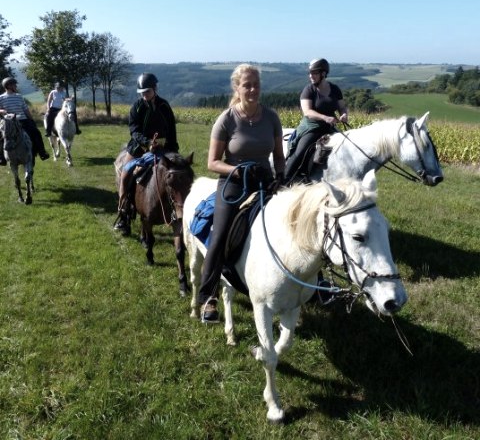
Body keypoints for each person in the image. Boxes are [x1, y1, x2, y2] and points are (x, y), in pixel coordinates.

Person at [198, 63, 285, 323]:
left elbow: (279, 156)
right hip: (234, 183)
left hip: (266, 181)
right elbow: (212, 162)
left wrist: (280, 177)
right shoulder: (227, 119)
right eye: (247, 85)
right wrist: (236, 172)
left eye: (256, 84)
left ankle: (310, 282)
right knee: (221, 234)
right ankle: (208, 298)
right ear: (237, 87)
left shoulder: (271, 117)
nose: (253, 89)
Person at [114, 72, 179, 234]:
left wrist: (173, 151)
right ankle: (123, 213)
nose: (144, 95)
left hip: (164, 148)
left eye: (147, 92)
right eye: (142, 92)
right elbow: (134, 130)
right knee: (125, 174)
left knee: (178, 175)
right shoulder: (136, 107)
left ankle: (177, 210)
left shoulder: (164, 106)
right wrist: (147, 143)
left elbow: (171, 129)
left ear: (155, 89)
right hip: (138, 147)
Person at [284, 58, 348, 183]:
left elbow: (342, 106)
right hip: (312, 127)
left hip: (329, 127)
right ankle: (285, 180)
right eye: (310, 73)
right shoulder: (309, 90)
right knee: (300, 152)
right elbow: (307, 112)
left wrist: (344, 114)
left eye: (314, 73)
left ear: (323, 74)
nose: (311, 76)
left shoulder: (335, 89)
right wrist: (325, 117)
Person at [0, 77, 50, 161]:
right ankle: (2, 157)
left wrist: (31, 120)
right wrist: (2, 110)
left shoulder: (19, 96)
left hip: (23, 120)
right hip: (8, 122)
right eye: (14, 85)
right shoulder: (1, 97)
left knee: (36, 132)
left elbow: (25, 109)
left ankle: (42, 152)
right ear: (8, 86)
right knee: (1, 136)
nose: (16, 86)